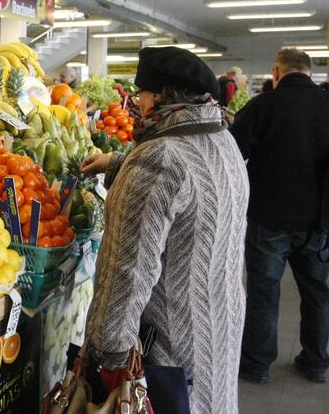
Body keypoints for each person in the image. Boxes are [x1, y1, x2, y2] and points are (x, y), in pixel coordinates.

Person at [80, 47, 249, 414]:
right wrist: (119, 164)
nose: (137, 103)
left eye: (140, 94)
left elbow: (127, 272)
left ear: (158, 96)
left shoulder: (159, 157)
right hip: (217, 323)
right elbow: (192, 187)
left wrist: (108, 356)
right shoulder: (223, 139)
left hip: (170, 341)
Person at [230, 49, 329, 384]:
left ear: (276, 72)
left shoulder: (263, 106)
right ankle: (316, 361)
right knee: (317, 292)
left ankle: (256, 365)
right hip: (317, 219)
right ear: (308, 71)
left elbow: (233, 155)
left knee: (265, 292)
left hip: (269, 217)